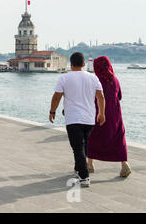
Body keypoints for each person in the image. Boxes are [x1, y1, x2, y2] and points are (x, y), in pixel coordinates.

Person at [49, 52, 106, 187]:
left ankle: (84, 176)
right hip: (89, 119)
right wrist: (102, 113)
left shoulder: (64, 78)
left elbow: (57, 96)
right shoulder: (93, 78)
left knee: (77, 147)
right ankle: (78, 168)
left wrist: (52, 111)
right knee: (83, 146)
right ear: (84, 64)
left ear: (71, 63)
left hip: (73, 118)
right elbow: (101, 96)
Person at [87, 56, 131, 177]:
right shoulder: (115, 79)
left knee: (93, 136)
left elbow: (91, 97)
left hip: (99, 112)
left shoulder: (96, 80)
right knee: (118, 137)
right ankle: (124, 165)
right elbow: (120, 96)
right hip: (115, 114)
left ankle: (90, 164)